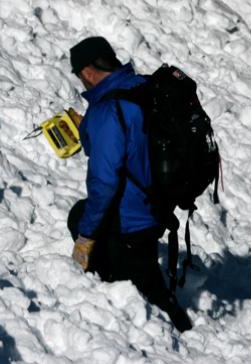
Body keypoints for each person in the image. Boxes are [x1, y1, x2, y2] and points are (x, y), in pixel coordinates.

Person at [67, 36, 192, 332]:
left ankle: (180, 332)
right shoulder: (141, 87)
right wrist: (90, 126)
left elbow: (104, 183)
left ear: (86, 72)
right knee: (79, 214)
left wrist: (85, 238)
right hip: (157, 205)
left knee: (150, 291)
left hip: (132, 222)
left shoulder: (107, 112)